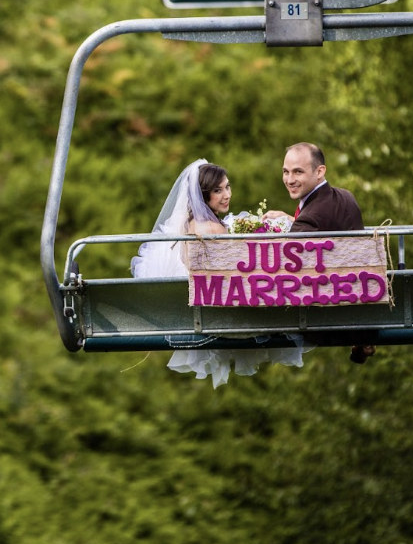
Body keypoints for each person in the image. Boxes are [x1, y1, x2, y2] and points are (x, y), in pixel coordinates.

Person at [131, 159, 305, 387]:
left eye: (228, 187)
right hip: (224, 304)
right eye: (217, 190)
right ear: (203, 195)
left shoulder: (195, 222)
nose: (226, 195)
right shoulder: (211, 228)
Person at [267, 142, 376, 364]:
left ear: (320, 172)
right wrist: (293, 221)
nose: (289, 180)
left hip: (326, 314)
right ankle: (362, 342)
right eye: (286, 172)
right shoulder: (345, 196)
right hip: (362, 302)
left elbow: (284, 264)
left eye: (298, 171)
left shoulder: (310, 218)